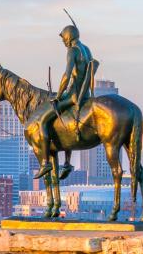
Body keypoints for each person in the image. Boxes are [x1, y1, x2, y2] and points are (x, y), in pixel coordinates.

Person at [33, 20, 98, 180]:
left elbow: (67, 75)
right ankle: (67, 163)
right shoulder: (86, 50)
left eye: (64, 39)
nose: (63, 42)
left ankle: (46, 162)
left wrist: (58, 94)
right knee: (64, 122)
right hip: (86, 95)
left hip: (73, 95)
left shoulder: (72, 51)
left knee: (42, 121)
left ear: (69, 36)